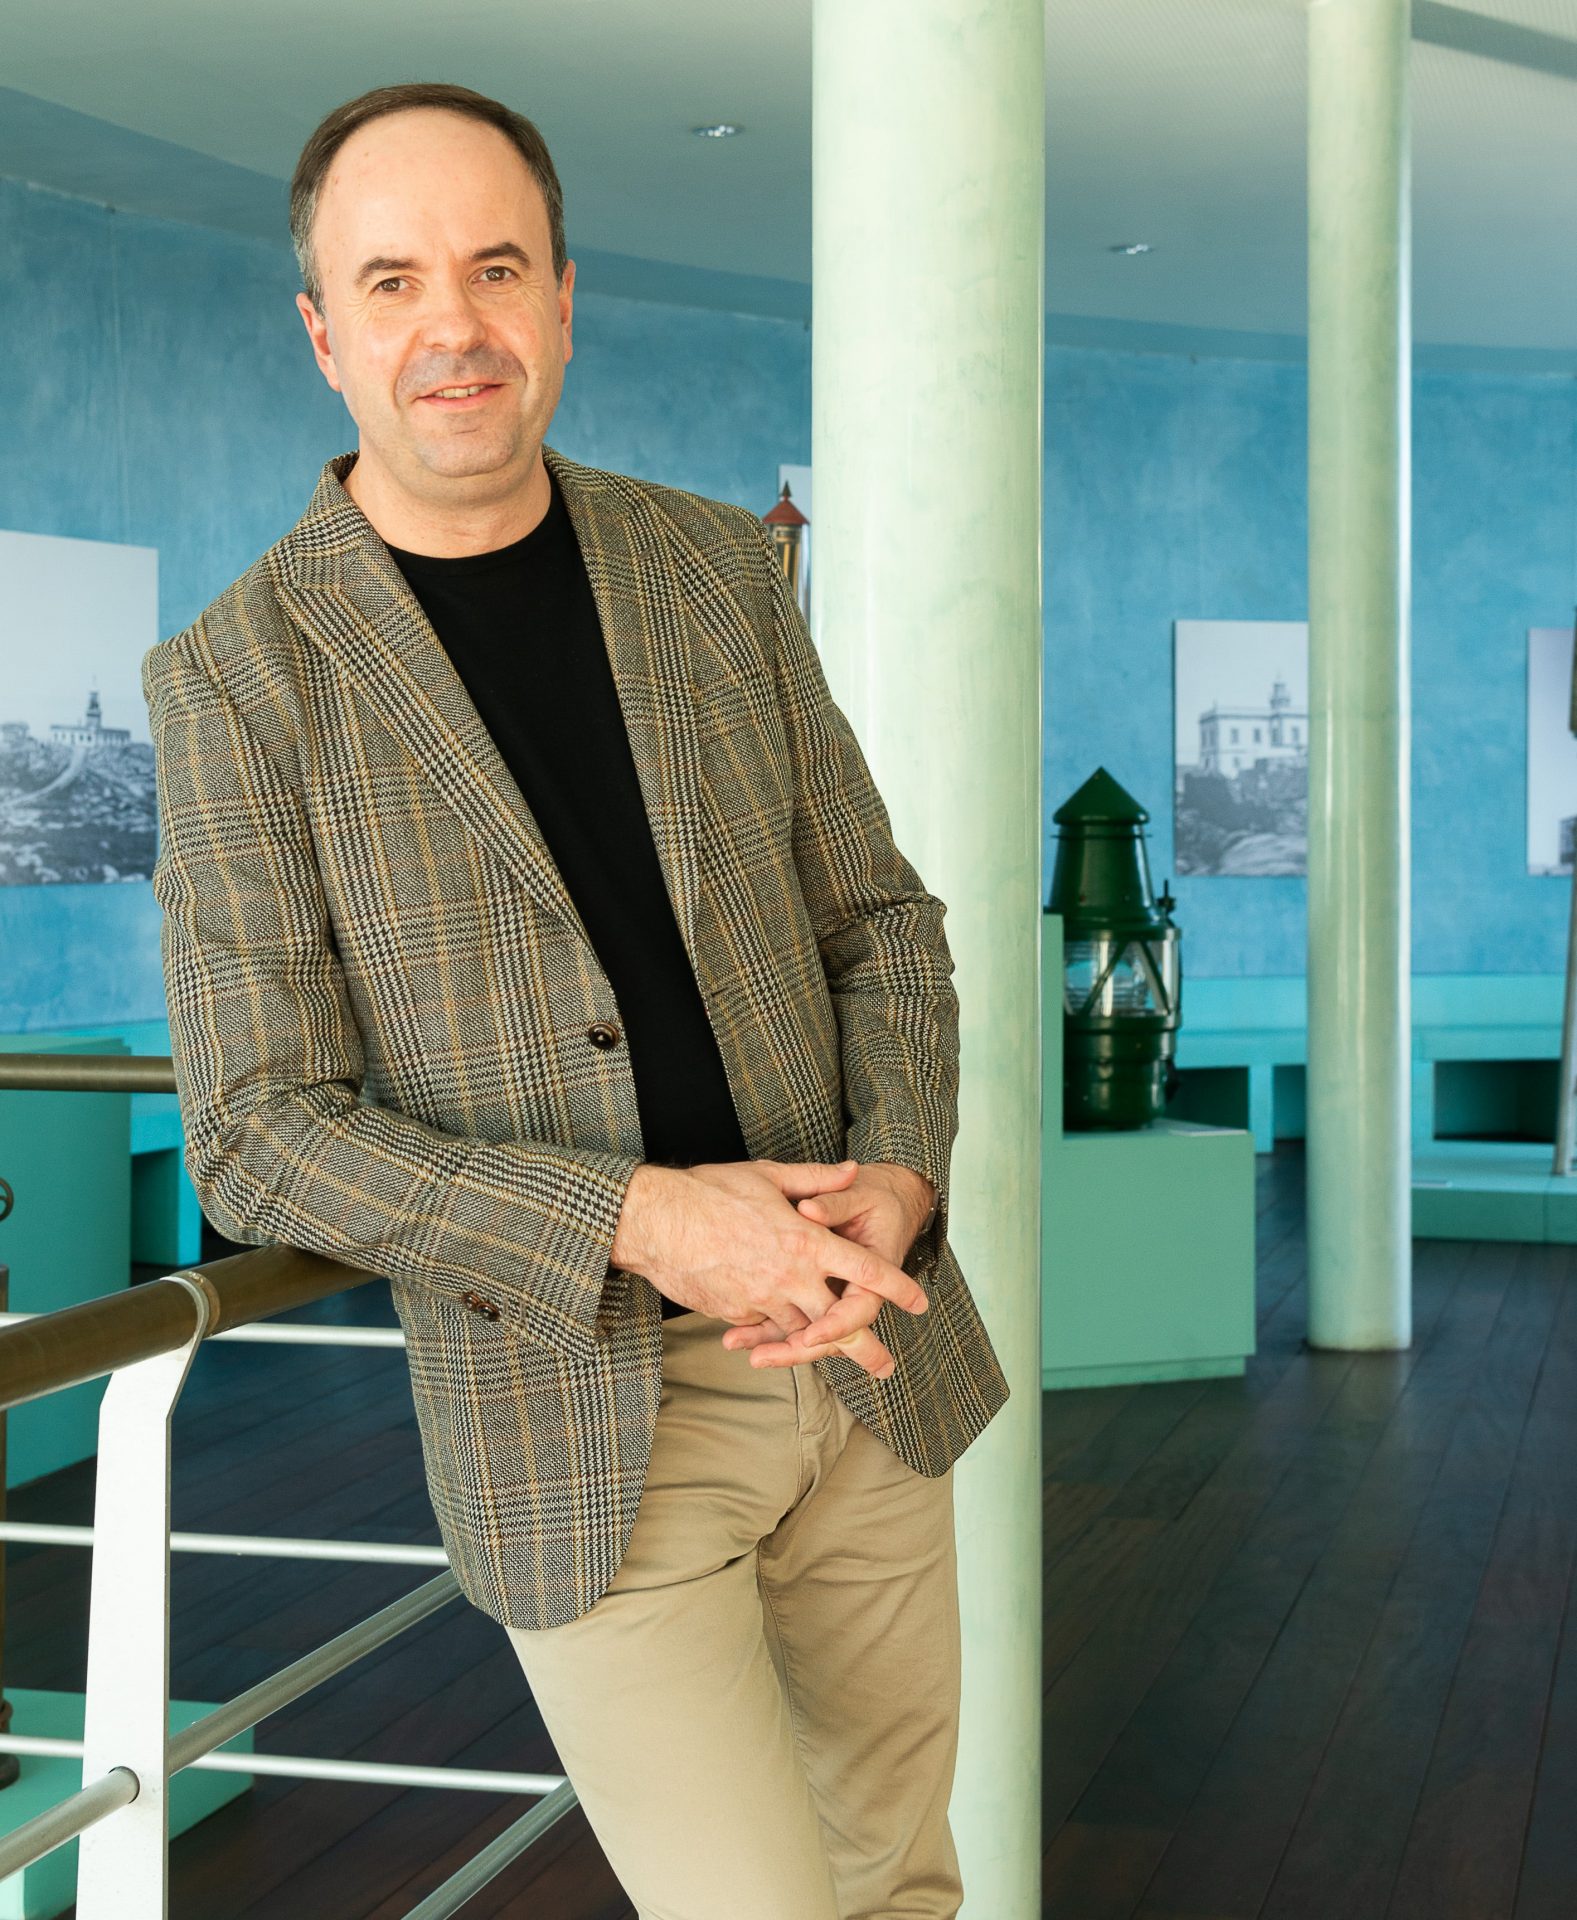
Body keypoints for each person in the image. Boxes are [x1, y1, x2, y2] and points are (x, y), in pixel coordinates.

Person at [142, 79, 1010, 1920]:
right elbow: (254, 1134)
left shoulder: (716, 569)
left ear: (559, 298)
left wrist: (900, 1171)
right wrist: (640, 1218)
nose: (450, 324)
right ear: (324, 333)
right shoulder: (236, 677)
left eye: (494, 266)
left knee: (905, 1891)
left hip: (863, 1352)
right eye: (390, 281)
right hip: (584, 1421)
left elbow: (882, 922)